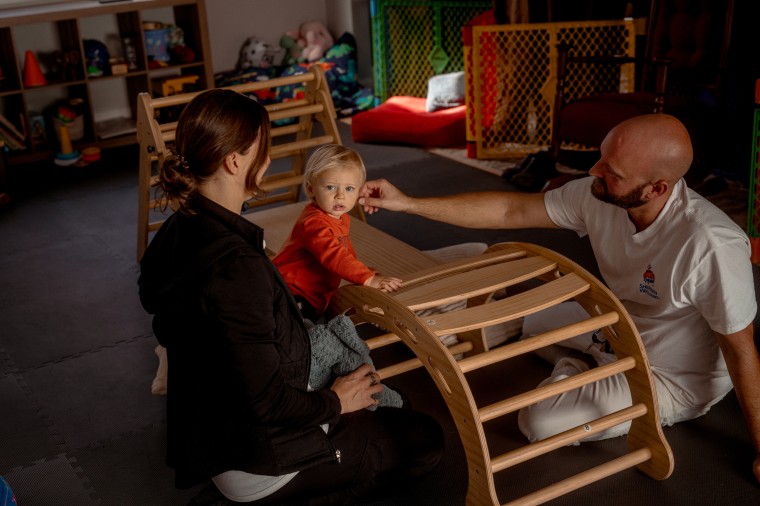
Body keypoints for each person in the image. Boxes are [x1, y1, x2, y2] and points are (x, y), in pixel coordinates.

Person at [358, 113, 760, 483]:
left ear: (656, 188)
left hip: (669, 376)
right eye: (600, 158)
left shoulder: (711, 246)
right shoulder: (600, 193)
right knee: (502, 302)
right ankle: (572, 350)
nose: (593, 171)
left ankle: (575, 367)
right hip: (615, 326)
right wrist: (406, 203)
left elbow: (741, 351)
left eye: (611, 171)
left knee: (540, 423)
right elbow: (511, 211)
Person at [137, 89, 443, 504]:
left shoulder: (175, 232)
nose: (267, 161)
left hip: (215, 438)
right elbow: (267, 401)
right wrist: (336, 401)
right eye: (264, 151)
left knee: (397, 403)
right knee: (426, 441)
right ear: (234, 162)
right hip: (261, 460)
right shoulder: (237, 268)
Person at [274, 144, 402, 321]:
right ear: (311, 189)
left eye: (349, 189)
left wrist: (365, 272)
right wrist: (367, 279)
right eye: (331, 187)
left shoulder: (341, 218)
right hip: (289, 292)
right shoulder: (314, 223)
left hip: (313, 294)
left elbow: (345, 251)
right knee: (297, 334)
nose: (340, 196)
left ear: (358, 191)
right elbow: (334, 255)